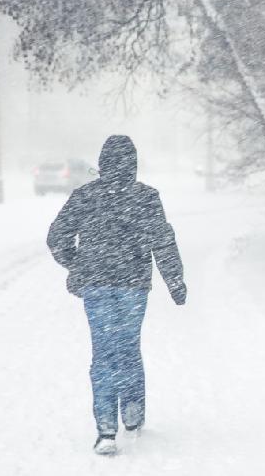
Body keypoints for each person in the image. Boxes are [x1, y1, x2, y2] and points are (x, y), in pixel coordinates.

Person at [47, 135, 186, 456]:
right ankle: (133, 410)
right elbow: (163, 241)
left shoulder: (85, 196)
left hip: (97, 285)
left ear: (102, 163)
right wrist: (175, 280)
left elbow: (57, 237)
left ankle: (106, 429)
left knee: (103, 352)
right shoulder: (146, 197)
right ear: (133, 163)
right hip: (133, 285)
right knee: (128, 347)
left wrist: (78, 264)